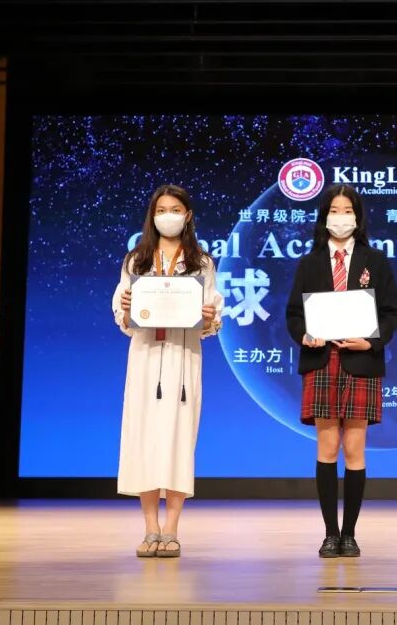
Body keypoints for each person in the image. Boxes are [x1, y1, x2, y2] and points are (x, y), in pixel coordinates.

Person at [285, 184, 397, 558]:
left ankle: (349, 534)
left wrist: (370, 342)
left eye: (347, 211)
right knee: (327, 447)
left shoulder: (375, 260)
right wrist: (305, 336)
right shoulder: (310, 262)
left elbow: (392, 312)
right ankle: (329, 534)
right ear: (324, 218)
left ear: (358, 217)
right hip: (322, 361)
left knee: (354, 449)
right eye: (334, 211)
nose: (341, 218)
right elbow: (293, 313)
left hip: (360, 362)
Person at [113, 184, 223, 558]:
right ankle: (150, 528)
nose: (168, 216)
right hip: (145, 357)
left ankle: (172, 529)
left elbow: (212, 320)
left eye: (175, 209)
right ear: (152, 215)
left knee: (179, 438)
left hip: (183, 357)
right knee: (144, 437)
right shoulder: (136, 260)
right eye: (161, 210)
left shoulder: (201, 263)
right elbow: (123, 317)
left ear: (187, 215)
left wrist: (208, 317)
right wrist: (128, 308)